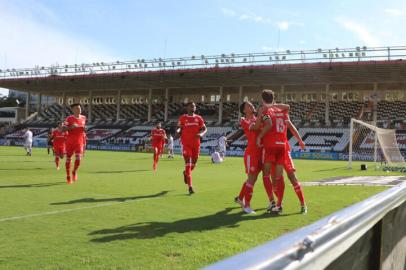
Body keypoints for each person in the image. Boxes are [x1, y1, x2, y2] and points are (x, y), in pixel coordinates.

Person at [255, 89, 289, 214]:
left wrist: (259, 136)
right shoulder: (281, 110)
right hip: (282, 146)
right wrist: (273, 104)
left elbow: (267, 123)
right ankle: (279, 205)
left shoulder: (265, 111)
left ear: (262, 99)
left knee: (266, 174)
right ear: (273, 98)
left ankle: (271, 201)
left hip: (270, 145)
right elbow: (288, 106)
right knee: (279, 177)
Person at [270, 120, 308, 214]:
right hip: (272, 152)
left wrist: (300, 140)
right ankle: (279, 205)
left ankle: (303, 204)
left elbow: (291, 126)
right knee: (274, 182)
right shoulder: (265, 114)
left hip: (284, 150)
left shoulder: (282, 114)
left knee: (292, 177)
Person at [234, 101, 262, 214]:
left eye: (252, 105)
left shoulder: (256, 118)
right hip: (252, 153)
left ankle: (240, 198)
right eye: (249, 106)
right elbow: (255, 128)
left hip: (261, 152)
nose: (252, 106)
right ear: (245, 110)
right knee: (251, 178)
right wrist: (261, 114)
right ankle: (247, 206)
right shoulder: (244, 120)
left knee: (253, 178)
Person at [176, 101, 207, 195]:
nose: (193, 108)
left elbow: (205, 129)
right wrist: (178, 131)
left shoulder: (199, 118)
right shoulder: (183, 118)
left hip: (196, 145)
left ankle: (185, 173)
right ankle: (190, 187)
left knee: (193, 166)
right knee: (188, 165)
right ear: (187, 108)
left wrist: (201, 134)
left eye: (194, 106)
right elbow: (178, 128)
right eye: (191, 106)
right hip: (186, 145)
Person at [62, 103, 87, 184]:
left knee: (78, 159)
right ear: (73, 110)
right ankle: (68, 176)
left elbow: (83, 130)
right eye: (77, 108)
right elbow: (62, 129)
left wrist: (84, 129)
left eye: (79, 108)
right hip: (70, 142)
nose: (79, 109)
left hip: (79, 142)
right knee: (68, 159)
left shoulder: (84, 118)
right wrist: (71, 127)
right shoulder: (69, 118)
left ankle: (74, 172)